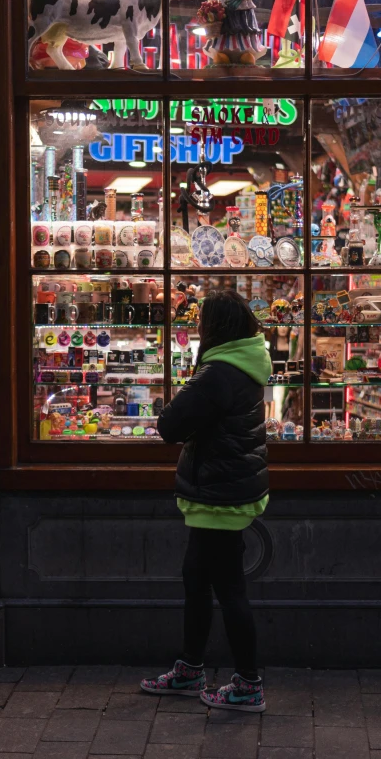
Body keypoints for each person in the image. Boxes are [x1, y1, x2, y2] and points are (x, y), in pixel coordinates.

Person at [140, 290, 271, 712]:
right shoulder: (245, 365)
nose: (197, 326)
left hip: (218, 496)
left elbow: (170, 426)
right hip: (225, 490)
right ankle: (190, 668)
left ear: (214, 327)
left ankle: (249, 684)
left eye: (202, 321)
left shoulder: (218, 374)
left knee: (228, 590)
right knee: (196, 581)